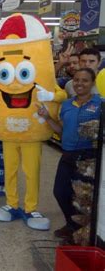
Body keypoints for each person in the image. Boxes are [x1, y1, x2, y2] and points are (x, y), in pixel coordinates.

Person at [37, 68, 101, 243]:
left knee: (84, 197)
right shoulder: (66, 104)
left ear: (92, 83)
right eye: (77, 80)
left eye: (85, 80)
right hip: (68, 154)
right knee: (60, 191)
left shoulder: (100, 104)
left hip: (90, 157)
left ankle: (84, 232)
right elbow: (62, 130)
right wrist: (48, 117)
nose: (80, 83)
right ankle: (72, 224)